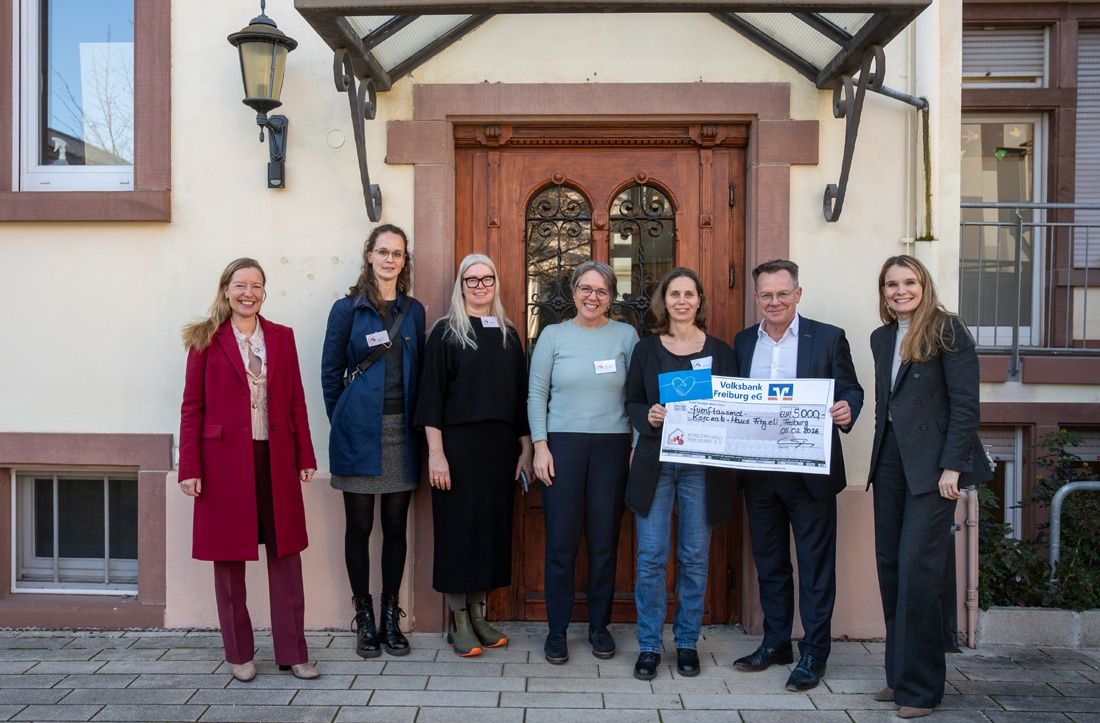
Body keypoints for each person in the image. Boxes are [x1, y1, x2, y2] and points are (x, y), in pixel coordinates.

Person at [178, 257, 319, 682]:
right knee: (228, 559)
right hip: (222, 463)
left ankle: (293, 652)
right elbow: (192, 407)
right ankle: (238, 653)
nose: (249, 293)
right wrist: (190, 467)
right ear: (226, 289)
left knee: (286, 556)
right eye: (241, 285)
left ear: (263, 292)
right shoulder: (205, 339)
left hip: (275, 458)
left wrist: (305, 455)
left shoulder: (281, 337)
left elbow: (295, 400)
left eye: (257, 286)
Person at [731, 259, 863, 692]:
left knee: (815, 567)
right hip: (759, 472)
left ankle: (814, 652)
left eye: (782, 294)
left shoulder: (827, 337)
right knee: (770, 564)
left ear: (798, 294)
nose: (775, 302)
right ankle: (776, 643)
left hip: (810, 473)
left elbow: (851, 388)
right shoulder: (743, 342)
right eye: (766, 295)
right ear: (756, 298)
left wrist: (847, 408)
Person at [867, 255, 990, 719]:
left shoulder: (947, 330)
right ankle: (897, 675)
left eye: (909, 282)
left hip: (935, 469)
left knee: (918, 571)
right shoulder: (881, 337)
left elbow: (966, 405)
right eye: (891, 284)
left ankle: (921, 690)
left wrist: (952, 467)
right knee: (891, 568)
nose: (900, 291)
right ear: (883, 292)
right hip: (890, 462)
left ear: (924, 285)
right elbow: (886, 404)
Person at [414, 254, 534, 657]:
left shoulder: (508, 333)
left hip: (499, 449)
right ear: (461, 285)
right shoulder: (446, 332)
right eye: (472, 279)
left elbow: (520, 398)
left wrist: (525, 447)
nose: (480, 286)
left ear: (495, 283)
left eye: (487, 279)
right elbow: (430, 397)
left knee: (488, 531)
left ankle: (480, 614)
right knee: (458, 532)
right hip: (457, 447)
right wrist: (436, 454)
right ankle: (459, 620)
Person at [624, 267, 737, 681]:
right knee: (651, 558)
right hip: (656, 464)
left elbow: (733, 407)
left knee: (694, 557)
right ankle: (650, 645)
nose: (682, 301)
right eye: (675, 294)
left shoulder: (722, 352)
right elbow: (632, 401)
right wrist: (649, 415)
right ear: (665, 301)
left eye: (690, 294)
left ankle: (687, 641)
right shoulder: (646, 350)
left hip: (700, 468)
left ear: (699, 300)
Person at [321, 224, 426, 658]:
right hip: (358, 433)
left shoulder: (414, 311)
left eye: (397, 253)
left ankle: (389, 617)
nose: (389, 259)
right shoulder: (346, 309)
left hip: (402, 431)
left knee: (396, 527)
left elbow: (421, 369)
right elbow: (330, 373)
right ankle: (364, 617)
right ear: (369, 255)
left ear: (404, 261)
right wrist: (343, 420)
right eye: (383, 251)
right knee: (360, 527)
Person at [528, 260, 639, 665]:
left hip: (612, 447)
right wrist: (540, 446)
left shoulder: (626, 336)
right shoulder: (553, 336)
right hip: (563, 446)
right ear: (573, 291)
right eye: (585, 289)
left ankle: (599, 627)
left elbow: (637, 395)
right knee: (561, 543)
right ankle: (557, 631)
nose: (593, 297)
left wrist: (635, 447)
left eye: (602, 291)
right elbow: (536, 394)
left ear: (611, 297)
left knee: (605, 543)